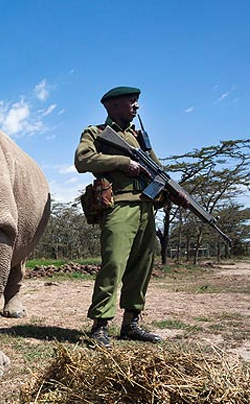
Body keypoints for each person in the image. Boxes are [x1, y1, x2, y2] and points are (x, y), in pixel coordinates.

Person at [74, 87, 184, 349]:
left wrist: (175, 193)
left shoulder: (139, 138)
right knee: (113, 264)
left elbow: (159, 172)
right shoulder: (97, 132)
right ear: (112, 106)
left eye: (137, 102)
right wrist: (122, 163)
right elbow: (82, 159)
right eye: (131, 102)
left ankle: (131, 324)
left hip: (147, 208)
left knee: (142, 267)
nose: (136, 106)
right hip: (119, 207)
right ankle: (100, 326)